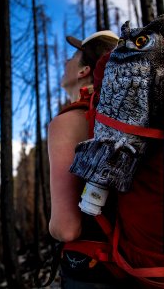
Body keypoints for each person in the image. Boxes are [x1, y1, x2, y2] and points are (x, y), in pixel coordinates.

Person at [48, 31, 120, 288]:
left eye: (73, 56)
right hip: (148, 267)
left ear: (84, 71)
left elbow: (67, 229)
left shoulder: (69, 122)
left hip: (95, 270)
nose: (67, 62)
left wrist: (53, 230)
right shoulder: (129, 118)